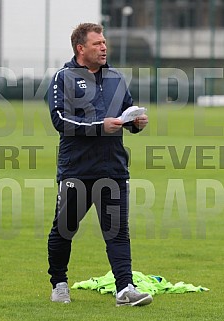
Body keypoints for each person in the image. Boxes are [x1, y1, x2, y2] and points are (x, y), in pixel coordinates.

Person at [47, 22, 152, 307]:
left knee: (118, 232)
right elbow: (61, 121)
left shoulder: (116, 78)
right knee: (64, 229)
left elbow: (124, 114)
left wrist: (135, 123)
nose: (104, 47)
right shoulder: (63, 78)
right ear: (81, 49)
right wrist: (98, 126)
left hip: (113, 169)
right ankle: (58, 282)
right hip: (77, 169)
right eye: (97, 43)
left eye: (104, 42)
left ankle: (125, 288)